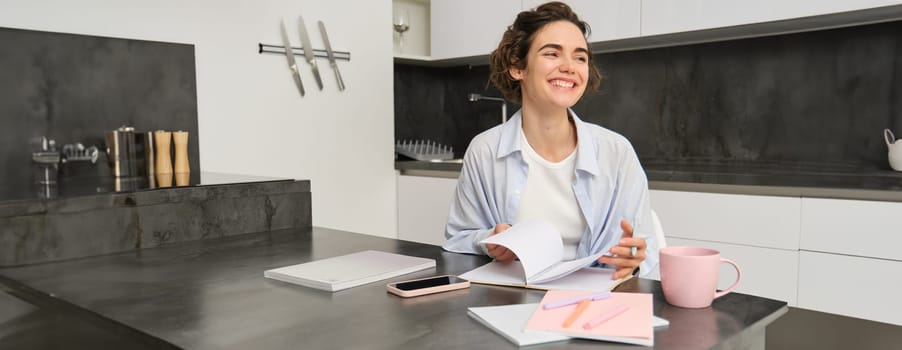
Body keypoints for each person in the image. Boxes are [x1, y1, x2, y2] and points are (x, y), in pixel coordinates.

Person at [442, 1, 658, 279]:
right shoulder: (484, 151)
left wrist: (634, 260)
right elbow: (457, 239)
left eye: (580, 58)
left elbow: (645, 249)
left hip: (594, 305)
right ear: (518, 67)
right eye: (552, 53)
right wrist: (488, 242)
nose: (569, 66)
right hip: (512, 298)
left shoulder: (617, 152)